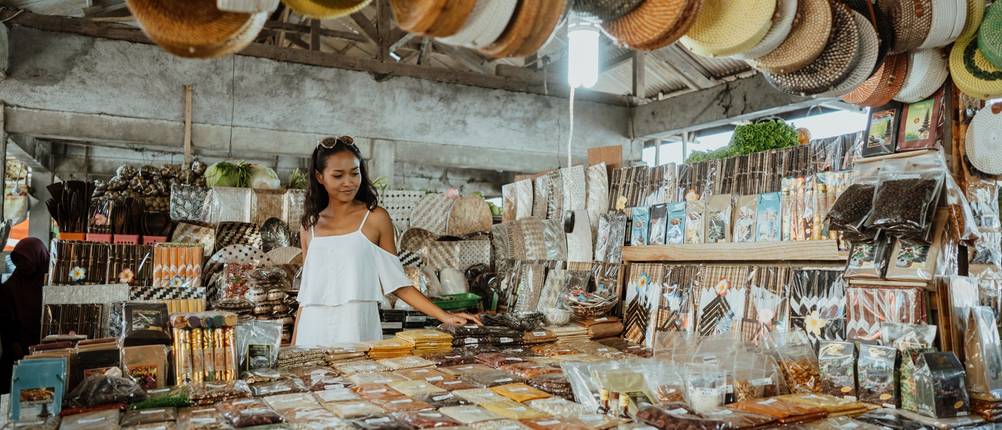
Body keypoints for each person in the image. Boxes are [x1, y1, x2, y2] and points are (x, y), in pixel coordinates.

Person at [293, 136, 481, 346]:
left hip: (356, 328)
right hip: (311, 329)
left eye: (355, 173)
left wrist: (444, 316)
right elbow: (306, 294)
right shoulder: (309, 226)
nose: (348, 182)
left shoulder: (375, 218)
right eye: (338, 176)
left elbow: (397, 283)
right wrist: (292, 348)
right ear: (320, 177)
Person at [0, 238, 50, 394]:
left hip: (49, 352)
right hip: (19, 353)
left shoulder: (53, 285)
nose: (21, 266)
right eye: (18, 262)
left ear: (39, 258)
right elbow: (6, 324)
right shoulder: (10, 287)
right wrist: (18, 351)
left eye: (26, 261)